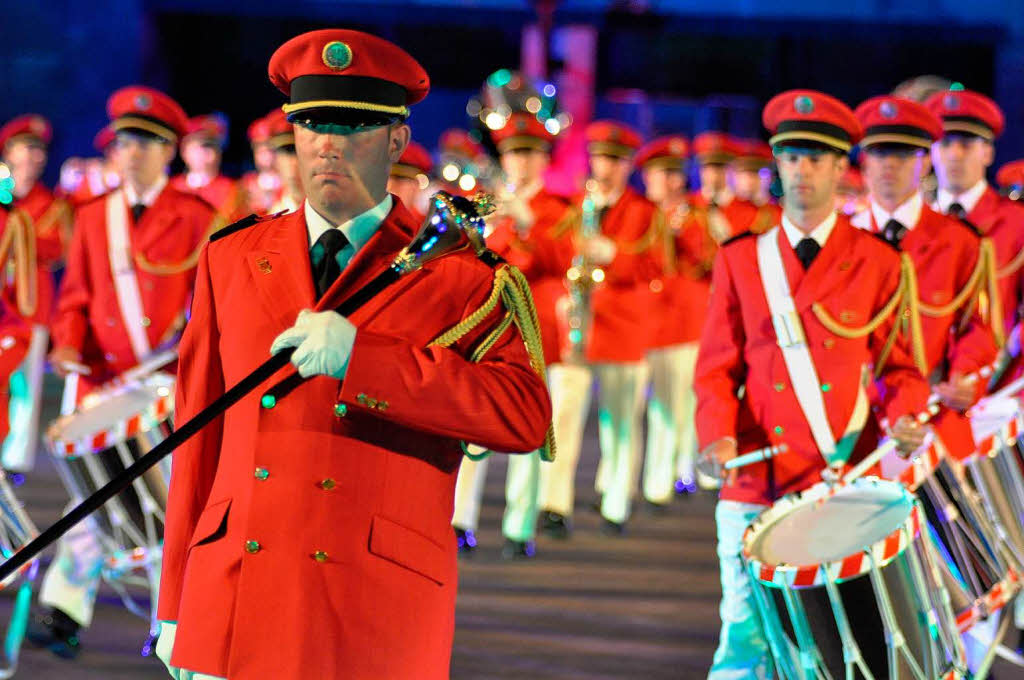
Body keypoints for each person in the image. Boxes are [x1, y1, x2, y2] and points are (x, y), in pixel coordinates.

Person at [155, 29, 551, 680]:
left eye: (354, 126)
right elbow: (199, 437)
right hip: (236, 593)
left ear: (396, 140)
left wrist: (365, 361)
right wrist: (175, 602)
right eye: (311, 125)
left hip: (373, 606)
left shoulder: (460, 274)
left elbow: (522, 415)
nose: (328, 144)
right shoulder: (229, 257)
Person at [695, 89, 930, 679]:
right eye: (792, 157)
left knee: (839, 638)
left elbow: (900, 368)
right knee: (744, 633)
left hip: (843, 475)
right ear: (777, 163)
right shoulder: (741, 259)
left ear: (839, 169)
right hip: (757, 473)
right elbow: (716, 369)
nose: (802, 171)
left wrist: (907, 415)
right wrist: (715, 438)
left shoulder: (878, 261)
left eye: (817, 159)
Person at [27, 85, 219, 658]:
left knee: (167, 500)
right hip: (98, 381)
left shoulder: (197, 217)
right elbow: (75, 301)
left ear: (170, 152)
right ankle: (65, 608)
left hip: (162, 384)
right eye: (125, 143)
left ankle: (173, 618)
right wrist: (65, 346)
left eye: (146, 144)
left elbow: (204, 308)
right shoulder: (93, 216)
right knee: (91, 494)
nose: (132, 154)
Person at [451, 111, 575, 557]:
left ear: (543, 160)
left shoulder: (558, 210)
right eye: (512, 154)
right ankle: (459, 520)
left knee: (529, 426)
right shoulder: (487, 203)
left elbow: (560, 260)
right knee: (471, 422)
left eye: (528, 154)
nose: (520, 163)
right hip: (488, 330)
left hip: (537, 330)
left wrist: (527, 225)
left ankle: (519, 527)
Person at [852, 94, 999, 461]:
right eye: (880, 154)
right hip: (857, 424)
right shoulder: (842, 239)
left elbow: (977, 327)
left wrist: (966, 376)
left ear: (924, 163)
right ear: (864, 164)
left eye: (902, 155)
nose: (889, 165)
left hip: (934, 417)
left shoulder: (958, 240)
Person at [537, 119, 663, 536]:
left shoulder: (645, 212)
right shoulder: (575, 205)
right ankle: (554, 504)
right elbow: (554, 251)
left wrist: (612, 254)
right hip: (577, 325)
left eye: (613, 160)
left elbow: (655, 264)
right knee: (561, 418)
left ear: (627, 165)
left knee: (621, 422)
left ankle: (616, 501)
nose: (604, 168)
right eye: (598, 159)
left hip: (622, 329)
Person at [634, 134, 708, 500]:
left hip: (681, 322)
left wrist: (685, 230)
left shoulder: (694, 214)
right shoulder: (639, 213)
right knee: (652, 409)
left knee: (676, 405)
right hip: (643, 322)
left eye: (669, 174)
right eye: (658, 173)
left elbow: (703, 259)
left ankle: (666, 480)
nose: (663, 181)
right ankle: (660, 477)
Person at [0, 114, 73, 471]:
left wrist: (18, 237)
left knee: (26, 387)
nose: (32, 157)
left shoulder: (54, 205)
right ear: (9, 152)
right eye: (25, 148)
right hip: (2, 304)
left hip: (31, 307)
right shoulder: (3, 196)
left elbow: (58, 249)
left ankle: (14, 463)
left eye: (38, 150)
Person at [171, 114, 245, 220]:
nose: (209, 151)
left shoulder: (233, 191)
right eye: (203, 145)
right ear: (184, 150)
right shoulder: (172, 187)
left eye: (214, 144)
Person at [239, 113, 282, 215]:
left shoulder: (290, 184)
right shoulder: (245, 185)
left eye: (270, 149)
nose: (266, 156)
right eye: (260, 149)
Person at [265, 108, 304, 214]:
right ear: (275, 160)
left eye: (298, 152)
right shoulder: (270, 215)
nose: (293, 163)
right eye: (286, 153)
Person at [386, 139, 432, 223]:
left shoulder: (426, 227)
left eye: (399, 180)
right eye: (385, 180)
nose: (390, 187)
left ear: (416, 187)